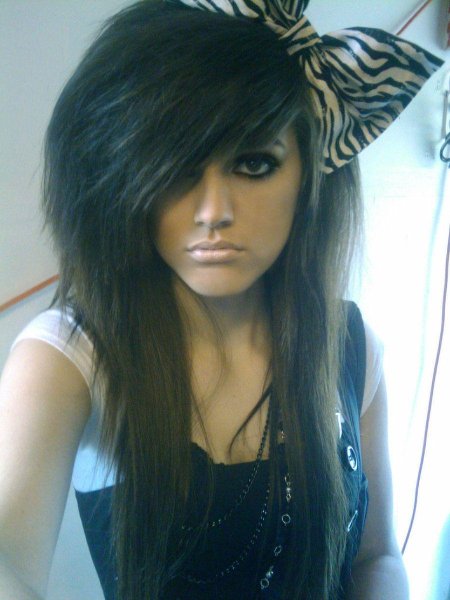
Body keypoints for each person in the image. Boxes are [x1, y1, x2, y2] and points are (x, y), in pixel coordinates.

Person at [0, 1, 443, 599]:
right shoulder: (73, 355)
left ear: (308, 175)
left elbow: (377, 557)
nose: (214, 212)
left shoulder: (351, 345)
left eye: (254, 163)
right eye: (176, 165)